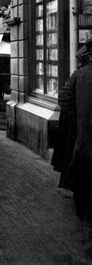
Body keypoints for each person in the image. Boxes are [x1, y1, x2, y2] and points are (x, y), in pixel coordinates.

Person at [51, 38, 92, 221]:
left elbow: (64, 99)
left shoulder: (80, 74)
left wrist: (76, 116)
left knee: (83, 173)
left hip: (84, 135)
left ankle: (83, 211)